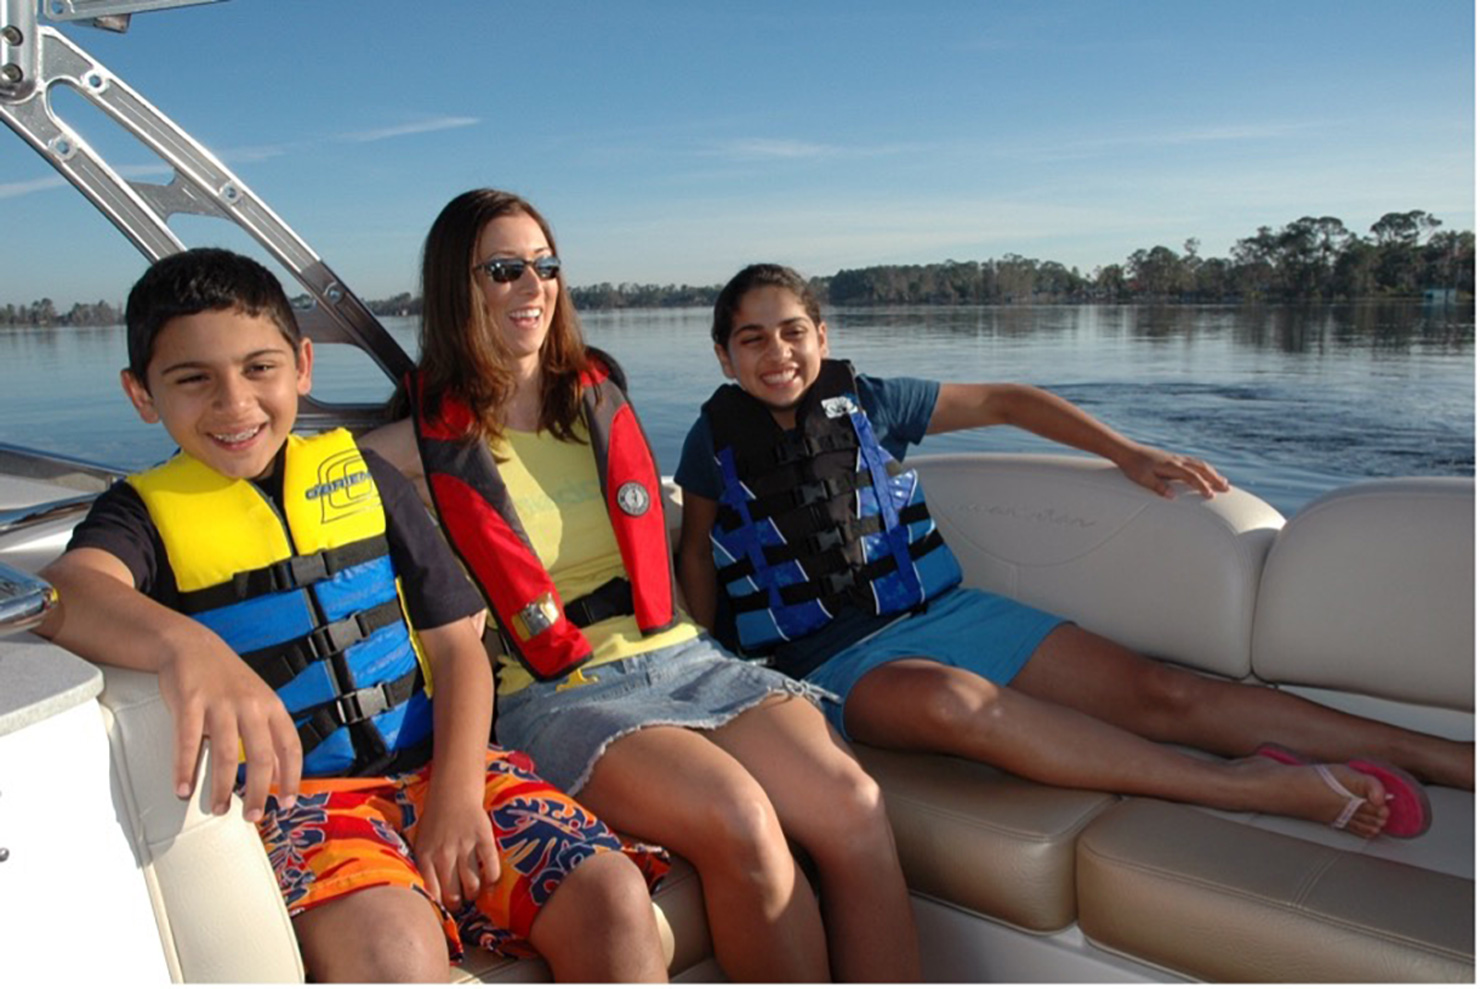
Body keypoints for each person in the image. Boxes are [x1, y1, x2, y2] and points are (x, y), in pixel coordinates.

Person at [36, 248, 670, 983]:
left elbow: (462, 651)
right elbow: (67, 592)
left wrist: (459, 795)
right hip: (307, 806)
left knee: (613, 895)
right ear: (142, 394)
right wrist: (189, 646)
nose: (235, 403)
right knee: (394, 953)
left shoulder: (364, 476)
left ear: (303, 365)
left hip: (450, 770)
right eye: (193, 379)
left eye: (259, 368)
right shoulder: (138, 517)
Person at [675, 262, 1475, 842]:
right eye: (752, 339)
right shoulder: (713, 444)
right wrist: (705, 667)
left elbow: (1010, 400)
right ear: (724, 357)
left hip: (951, 614)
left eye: (791, 331)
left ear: (822, 334)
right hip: (835, 667)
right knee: (952, 702)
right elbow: (702, 557)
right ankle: (1243, 782)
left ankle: (1445, 753)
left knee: (1165, 691)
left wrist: (1126, 452)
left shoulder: (873, 402)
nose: (775, 352)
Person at [360, 189, 919, 982]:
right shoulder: (413, 447)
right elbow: (286, 490)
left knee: (854, 806)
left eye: (544, 266)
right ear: (460, 286)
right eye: (504, 269)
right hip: (558, 690)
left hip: (682, 655)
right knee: (743, 820)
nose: (533, 286)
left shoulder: (594, 402)